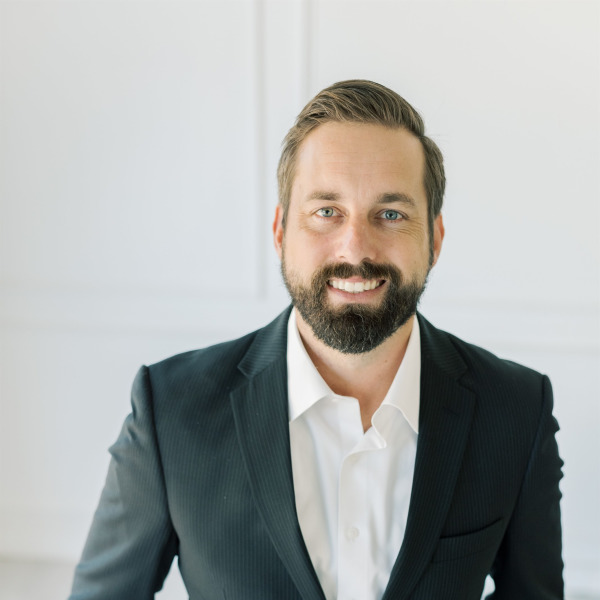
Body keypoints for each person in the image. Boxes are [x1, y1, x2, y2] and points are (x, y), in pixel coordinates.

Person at [69, 80, 564, 600]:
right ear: (281, 231)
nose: (355, 249)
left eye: (391, 214)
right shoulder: (170, 410)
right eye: (327, 211)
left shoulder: (517, 412)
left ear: (434, 240)